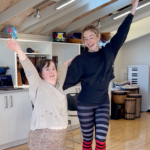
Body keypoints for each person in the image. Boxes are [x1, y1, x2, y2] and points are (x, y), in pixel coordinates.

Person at [63, 0, 139, 150]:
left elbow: (121, 34)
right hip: (84, 104)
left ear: (98, 37)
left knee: (100, 140)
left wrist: (133, 10)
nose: (88, 40)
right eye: (85, 38)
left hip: (103, 103)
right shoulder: (80, 60)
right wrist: (63, 66)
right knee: (87, 141)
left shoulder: (108, 53)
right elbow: (64, 81)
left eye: (91, 37)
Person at [5, 39, 73, 150]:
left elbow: (63, 67)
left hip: (59, 139)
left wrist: (73, 60)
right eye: (47, 69)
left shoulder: (59, 84)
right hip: (42, 138)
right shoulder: (38, 85)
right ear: (40, 74)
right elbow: (29, 69)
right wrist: (18, 50)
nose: (52, 72)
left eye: (53, 69)